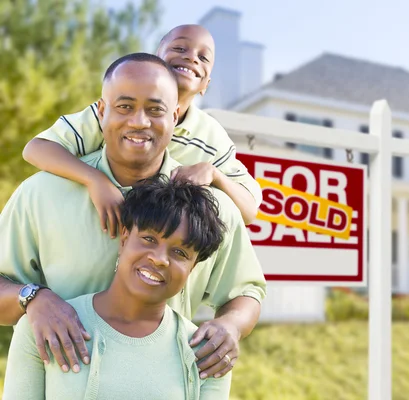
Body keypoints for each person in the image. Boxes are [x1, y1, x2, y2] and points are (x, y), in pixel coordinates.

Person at [0, 53, 266, 380]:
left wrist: (230, 327)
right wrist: (34, 299)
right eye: (125, 106)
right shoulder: (40, 194)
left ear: (176, 115)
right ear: (101, 110)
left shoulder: (211, 208)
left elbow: (246, 292)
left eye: (155, 110)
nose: (139, 122)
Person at [3, 176, 232, 399]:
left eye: (180, 253)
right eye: (149, 239)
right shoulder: (45, 326)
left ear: (192, 268)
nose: (160, 259)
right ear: (124, 239)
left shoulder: (207, 352)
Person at [22, 24, 260, 232]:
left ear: (206, 84)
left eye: (203, 57)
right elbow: (36, 149)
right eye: (179, 48)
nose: (191, 58)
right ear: (155, 61)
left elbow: (249, 212)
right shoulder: (115, 113)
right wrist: (95, 180)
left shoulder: (212, 136)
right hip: (94, 224)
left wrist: (214, 174)